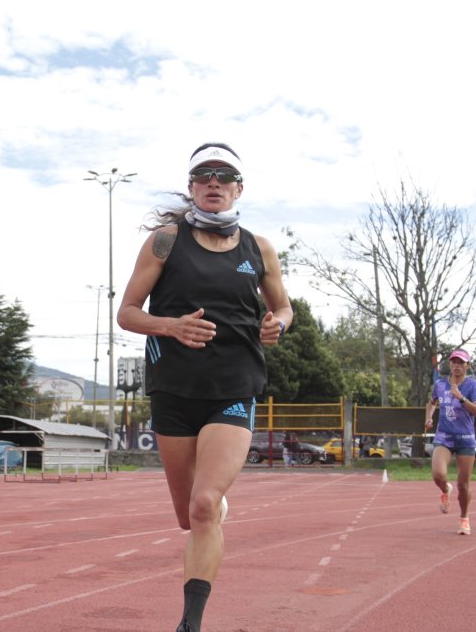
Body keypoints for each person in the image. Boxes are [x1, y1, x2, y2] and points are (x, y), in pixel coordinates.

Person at [118, 142, 293, 632]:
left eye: (224, 174)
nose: (214, 181)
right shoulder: (165, 241)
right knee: (187, 515)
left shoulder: (259, 248)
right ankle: (214, 505)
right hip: (174, 390)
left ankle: (190, 623)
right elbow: (127, 313)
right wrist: (170, 326)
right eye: (203, 174)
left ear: (239, 188)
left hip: (234, 387)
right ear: (192, 186)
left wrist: (277, 323)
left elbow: (283, 307)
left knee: (203, 505)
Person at [424, 348, 476, 535]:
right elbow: (432, 402)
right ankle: (445, 489)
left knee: (463, 485)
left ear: (468, 366)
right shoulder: (440, 384)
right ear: (449, 364)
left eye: (461, 363)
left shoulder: (473, 385)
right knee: (438, 474)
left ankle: (464, 518)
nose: (457, 366)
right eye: (454, 362)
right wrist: (429, 417)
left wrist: (461, 398)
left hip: (465, 439)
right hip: (444, 437)